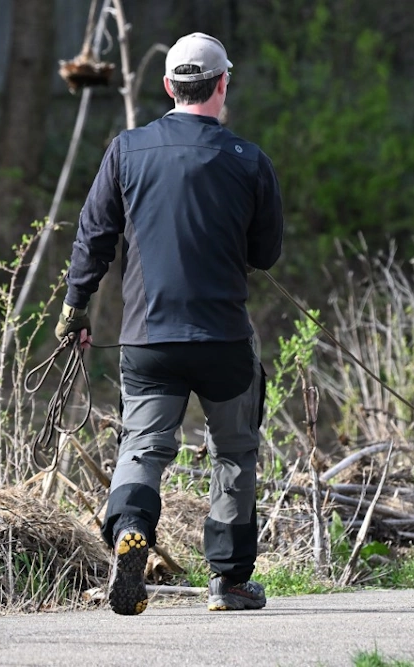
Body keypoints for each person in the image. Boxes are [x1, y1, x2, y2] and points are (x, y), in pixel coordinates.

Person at [54, 32, 283, 615]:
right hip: (224, 341)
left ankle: (131, 526)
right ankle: (229, 583)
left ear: (167, 87)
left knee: (144, 446)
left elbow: (93, 235)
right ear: (222, 84)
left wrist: (75, 306)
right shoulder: (249, 160)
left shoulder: (125, 151)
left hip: (149, 339)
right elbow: (266, 254)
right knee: (234, 452)